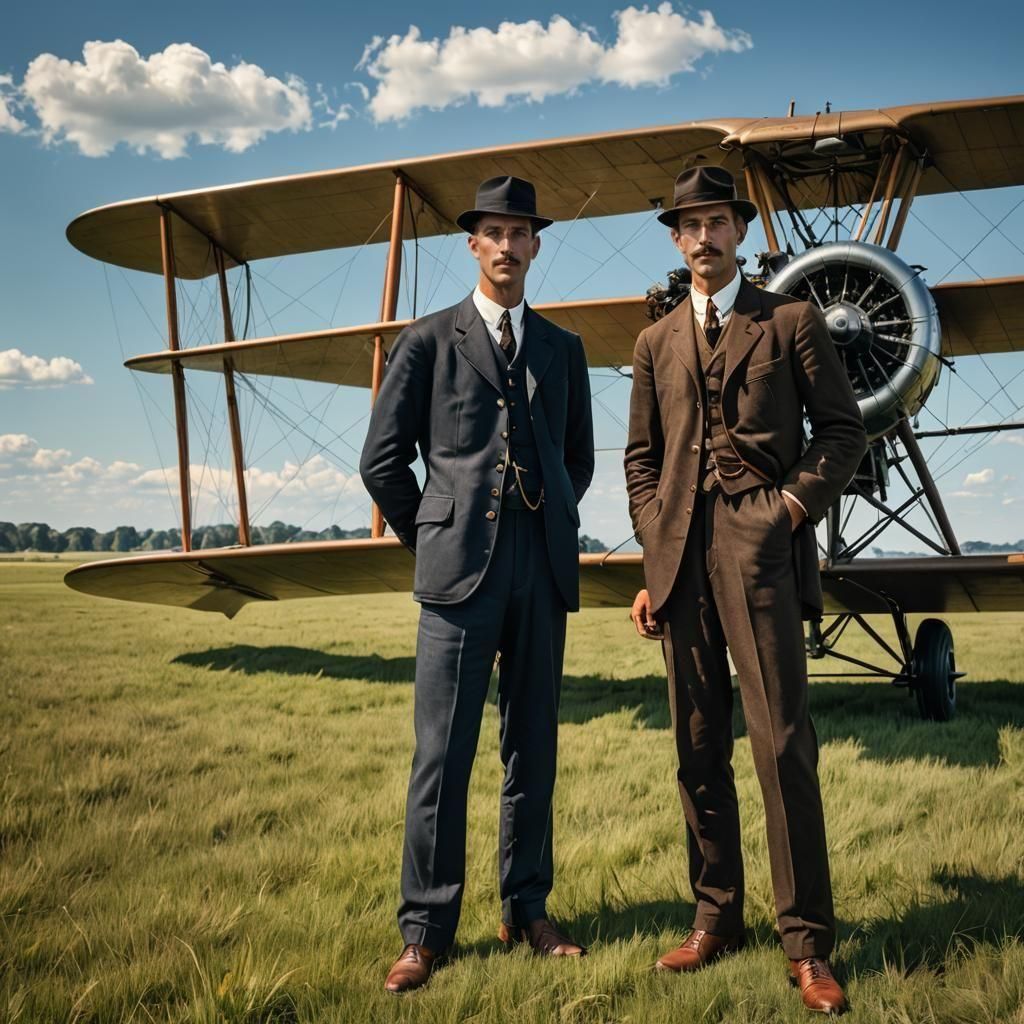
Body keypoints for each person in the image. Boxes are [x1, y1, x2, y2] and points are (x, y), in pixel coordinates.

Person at [624, 166, 866, 1014]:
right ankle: (714, 918)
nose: (702, 238)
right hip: (681, 561)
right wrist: (657, 552)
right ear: (675, 236)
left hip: (762, 550)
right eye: (687, 225)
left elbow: (842, 430)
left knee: (782, 747)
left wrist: (788, 509)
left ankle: (806, 944)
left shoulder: (790, 319)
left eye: (716, 222)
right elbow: (642, 460)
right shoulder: (655, 343)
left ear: (739, 230)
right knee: (697, 751)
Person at [360, 175, 595, 994]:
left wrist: (547, 516)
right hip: (456, 577)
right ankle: (425, 930)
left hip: (542, 569)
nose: (506, 245)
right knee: (442, 758)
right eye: (492, 232)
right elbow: (382, 462)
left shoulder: (563, 349)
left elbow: (579, 460)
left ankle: (529, 908)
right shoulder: (427, 341)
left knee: (534, 750)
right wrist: (433, 531)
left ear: (536, 245)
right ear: (473, 244)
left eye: (520, 232)